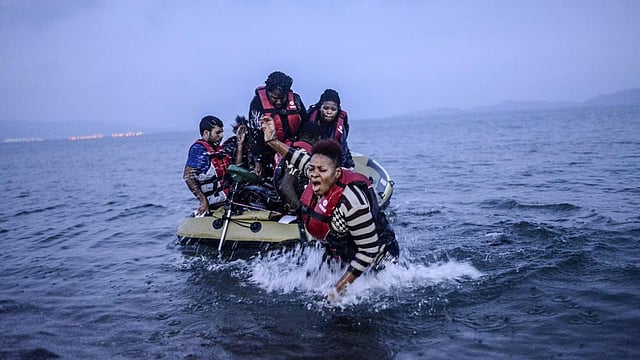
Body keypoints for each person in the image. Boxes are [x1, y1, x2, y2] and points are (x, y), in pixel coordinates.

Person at [261, 118, 400, 302]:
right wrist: (272, 140)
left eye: (321, 170)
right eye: (311, 170)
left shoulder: (352, 201)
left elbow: (368, 250)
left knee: (361, 295)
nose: (313, 175)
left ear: (336, 173)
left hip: (379, 254)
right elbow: (296, 157)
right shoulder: (315, 173)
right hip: (345, 247)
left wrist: (337, 290)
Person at [248, 71, 307, 177]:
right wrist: (258, 161)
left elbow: (305, 125)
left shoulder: (296, 100)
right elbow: (254, 135)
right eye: (275, 98)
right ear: (268, 92)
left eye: (282, 98)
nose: (279, 102)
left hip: (292, 148)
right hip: (268, 150)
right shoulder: (257, 104)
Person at [183, 115, 236, 216]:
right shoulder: (198, 150)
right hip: (214, 206)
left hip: (228, 201)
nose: (221, 135)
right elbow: (188, 177)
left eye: (222, 132)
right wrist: (203, 201)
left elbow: (235, 169)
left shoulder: (219, 150)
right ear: (206, 133)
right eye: (218, 132)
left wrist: (240, 143)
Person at [307, 89, 355, 168]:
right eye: (326, 108)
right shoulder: (309, 119)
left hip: (334, 160)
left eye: (333, 109)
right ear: (320, 107)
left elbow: (343, 148)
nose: (329, 112)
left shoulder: (341, 124)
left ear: (338, 110)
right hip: (311, 160)